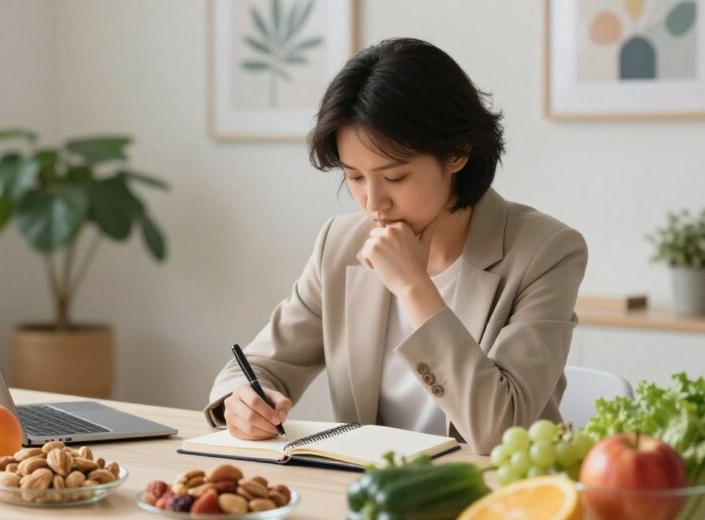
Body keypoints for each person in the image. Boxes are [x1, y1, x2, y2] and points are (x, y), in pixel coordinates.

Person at [203, 38, 587, 454]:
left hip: (492, 500)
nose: (373, 202)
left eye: (396, 178)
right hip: (372, 500)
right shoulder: (341, 243)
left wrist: (414, 287)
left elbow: (500, 429)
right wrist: (240, 402)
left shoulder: (546, 252)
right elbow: (261, 364)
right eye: (354, 177)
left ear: (457, 153)